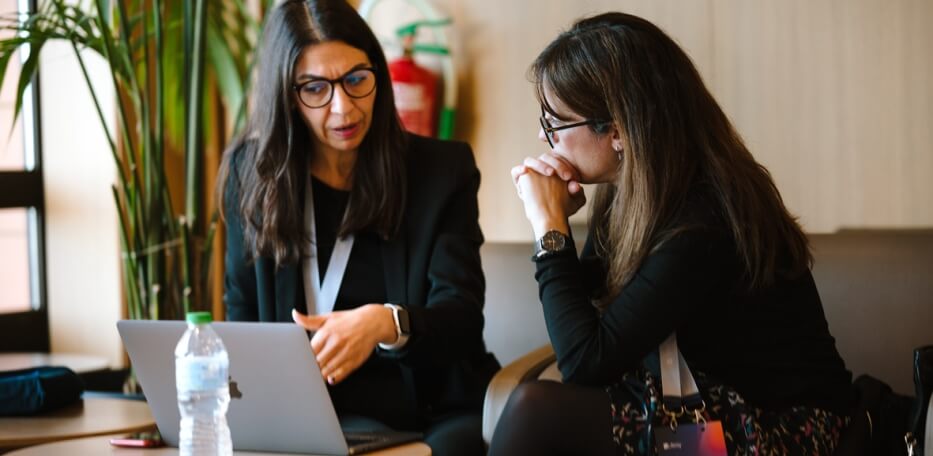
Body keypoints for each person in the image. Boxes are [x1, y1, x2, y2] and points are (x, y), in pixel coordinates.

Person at [489, 12, 853, 456]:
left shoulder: (706, 217)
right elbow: (588, 313)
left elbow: (586, 362)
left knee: (536, 410)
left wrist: (549, 229)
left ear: (618, 129)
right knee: (539, 409)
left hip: (785, 432)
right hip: (703, 412)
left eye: (556, 124)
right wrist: (554, 225)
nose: (548, 142)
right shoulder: (634, 195)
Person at [216, 1, 499, 455]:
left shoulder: (441, 172)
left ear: (377, 75)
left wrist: (385, 323)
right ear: (287, 94)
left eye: (355, 80)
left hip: (426, 415)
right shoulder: (251, 176)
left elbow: (461, 317)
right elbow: (243, 316)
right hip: (301, 420)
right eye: (315, 88)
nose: (343, 108)